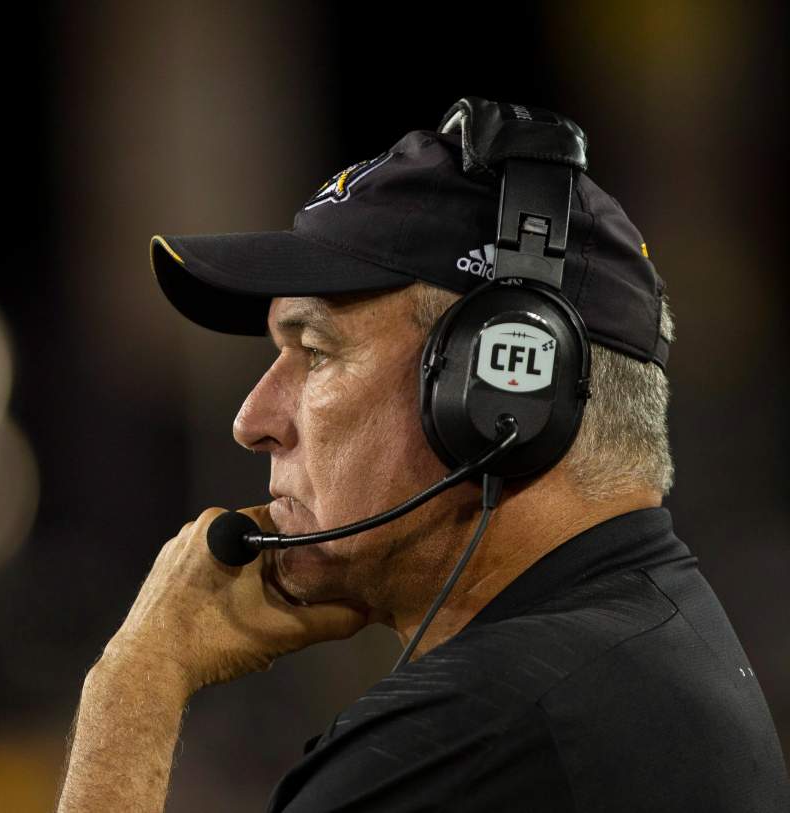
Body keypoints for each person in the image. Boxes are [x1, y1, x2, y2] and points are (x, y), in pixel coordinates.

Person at [55, 99, 790, 812]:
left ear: (500, 395)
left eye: (314, 351)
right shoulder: (651, 639)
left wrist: (134, 683)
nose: (253, 420)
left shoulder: (474, 729)